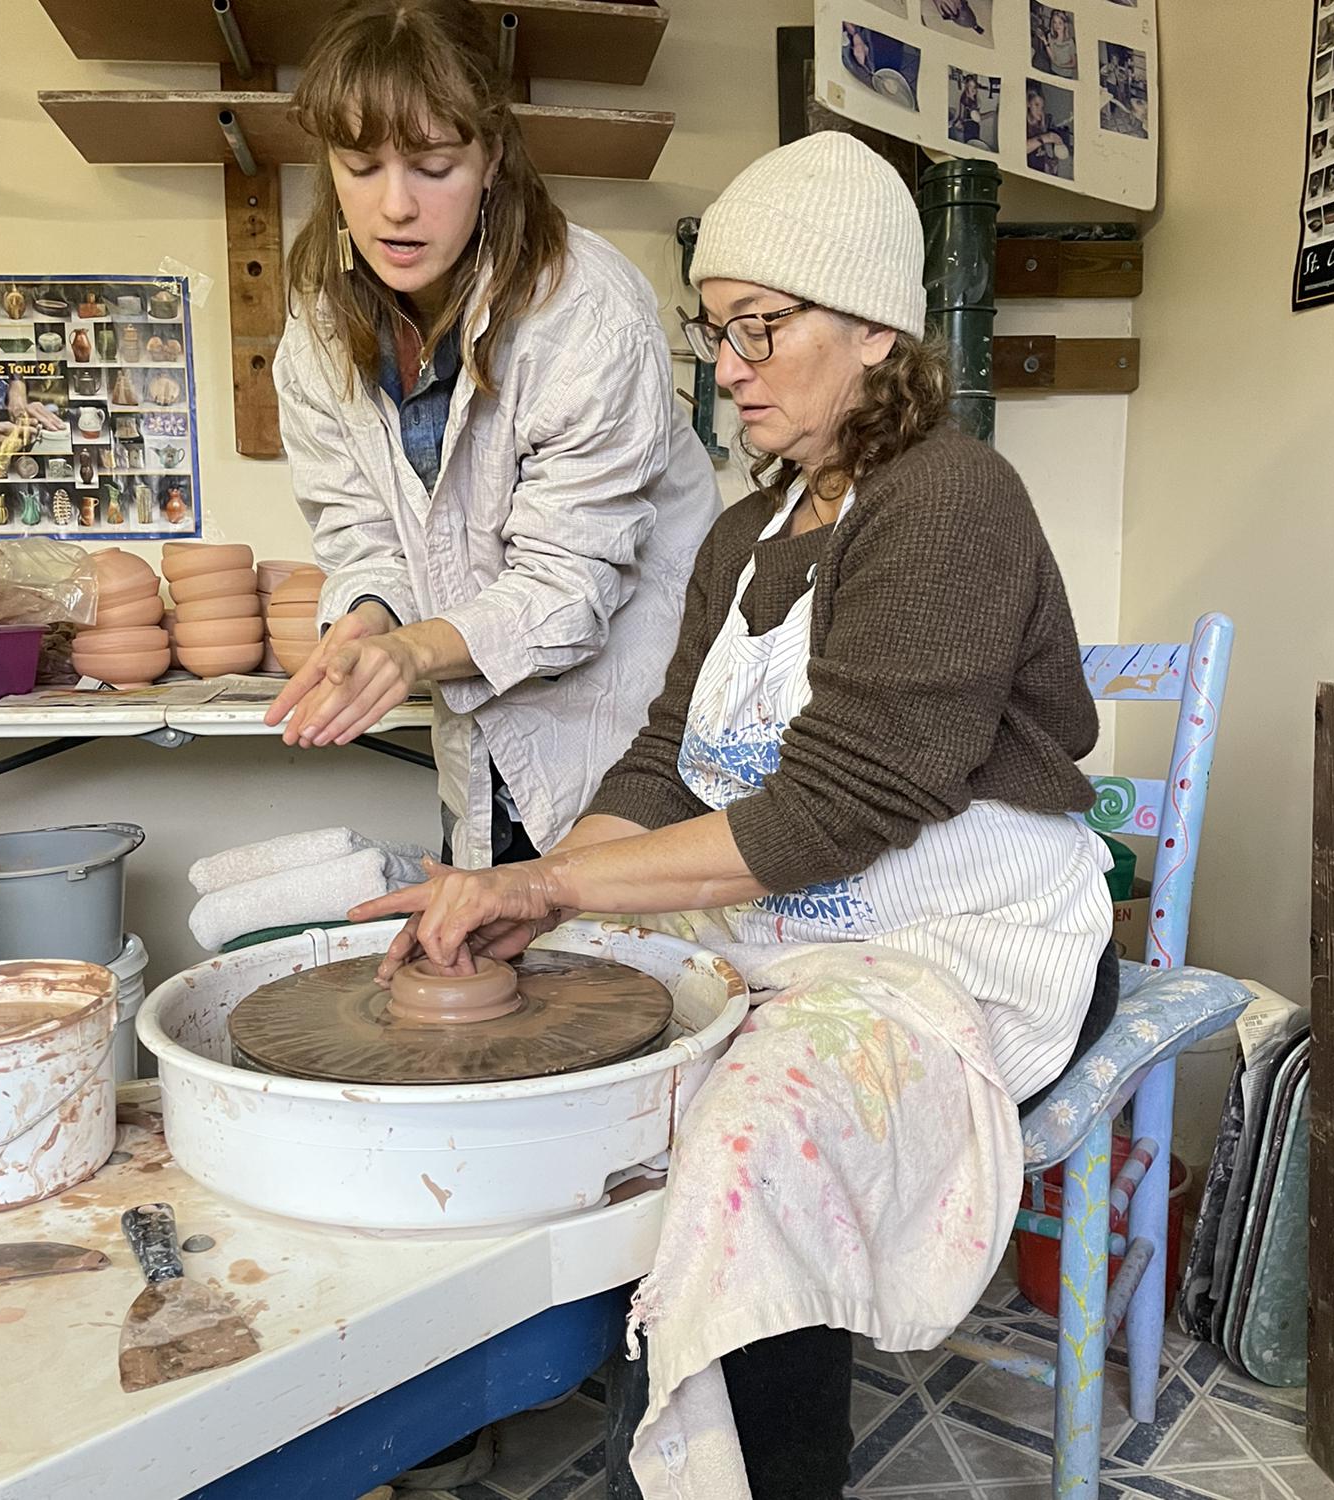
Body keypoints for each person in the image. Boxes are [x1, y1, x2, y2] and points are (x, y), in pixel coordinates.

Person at [355, 132, 1117, 1498]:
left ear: (877, 327)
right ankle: (669, 1413)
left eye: (761, 326)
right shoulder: (740, 534)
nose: (730, 364)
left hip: (978, 937)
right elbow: (664, 768)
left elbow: (843, 802)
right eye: (715, 330)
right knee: (612, 1058)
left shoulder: (952, 500)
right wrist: (511, 893)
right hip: (817, 913)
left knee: (755, 1131)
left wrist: (555, 889)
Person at [266, 0, 720, 873]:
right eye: (361, 167)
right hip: (479, 735)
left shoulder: (586, 313)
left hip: (628, 725)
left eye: (435, 166)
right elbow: (362, 532)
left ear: (492, 158)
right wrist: (368, 622)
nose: (396, 207)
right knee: (487, 950)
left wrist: (410, 651)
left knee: (633, 973)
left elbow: (566, 586)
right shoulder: (321, 325)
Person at [1027, 82, 1071, 175]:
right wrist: (1045, 137)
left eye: (1042, 107)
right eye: (1036, 105)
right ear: (1028, 104)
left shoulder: (1045, 122)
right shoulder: (1022, 123)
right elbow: (1019, 149)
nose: (1040, 111)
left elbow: (1044, 152)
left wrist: (1051, 162)